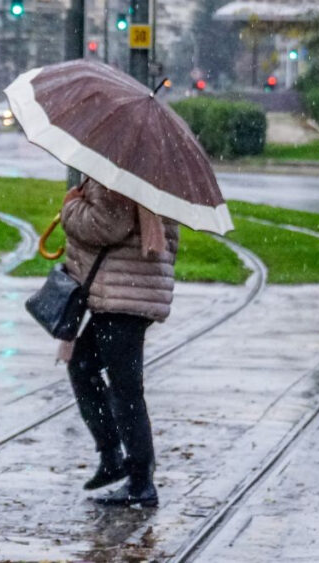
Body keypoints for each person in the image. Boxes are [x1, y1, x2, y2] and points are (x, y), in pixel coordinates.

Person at [59, 176, 179, 507]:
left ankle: (140, 480)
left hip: (123, 293)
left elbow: (106, 225)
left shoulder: (117, 175)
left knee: (125, 388)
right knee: (82, 365)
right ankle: (113, 457)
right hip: (131, 288)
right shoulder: (153, 176)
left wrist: (71, 206)